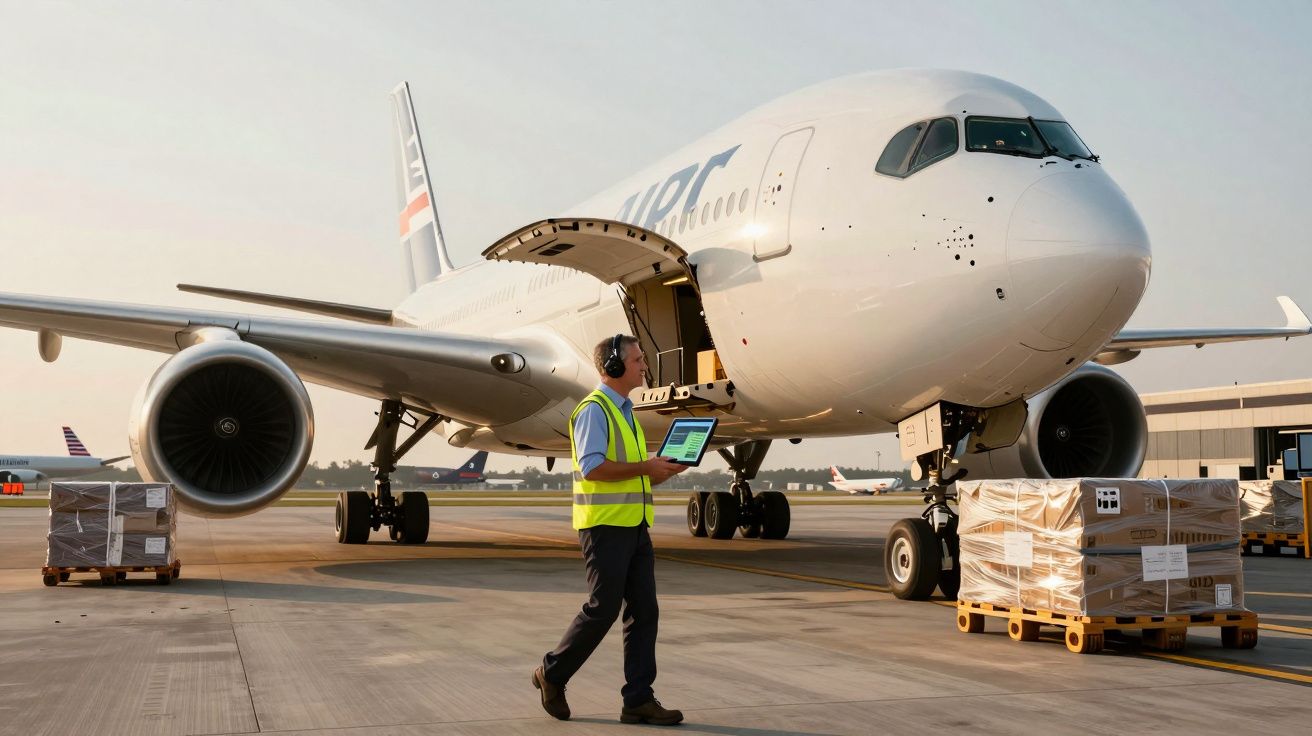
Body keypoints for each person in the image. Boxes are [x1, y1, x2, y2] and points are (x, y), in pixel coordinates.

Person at [533, 334, 688, 726]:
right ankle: (551, 673)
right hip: (603, 527)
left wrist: (661, 470)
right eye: (637, 360)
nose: (644, 366)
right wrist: (644, 468)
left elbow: (635, 478)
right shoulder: (594, 410)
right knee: (603, 609)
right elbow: (593, 467)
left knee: (644, 611)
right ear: (614, 366)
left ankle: (638, 699)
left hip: (634, 525)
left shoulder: (626, 413)